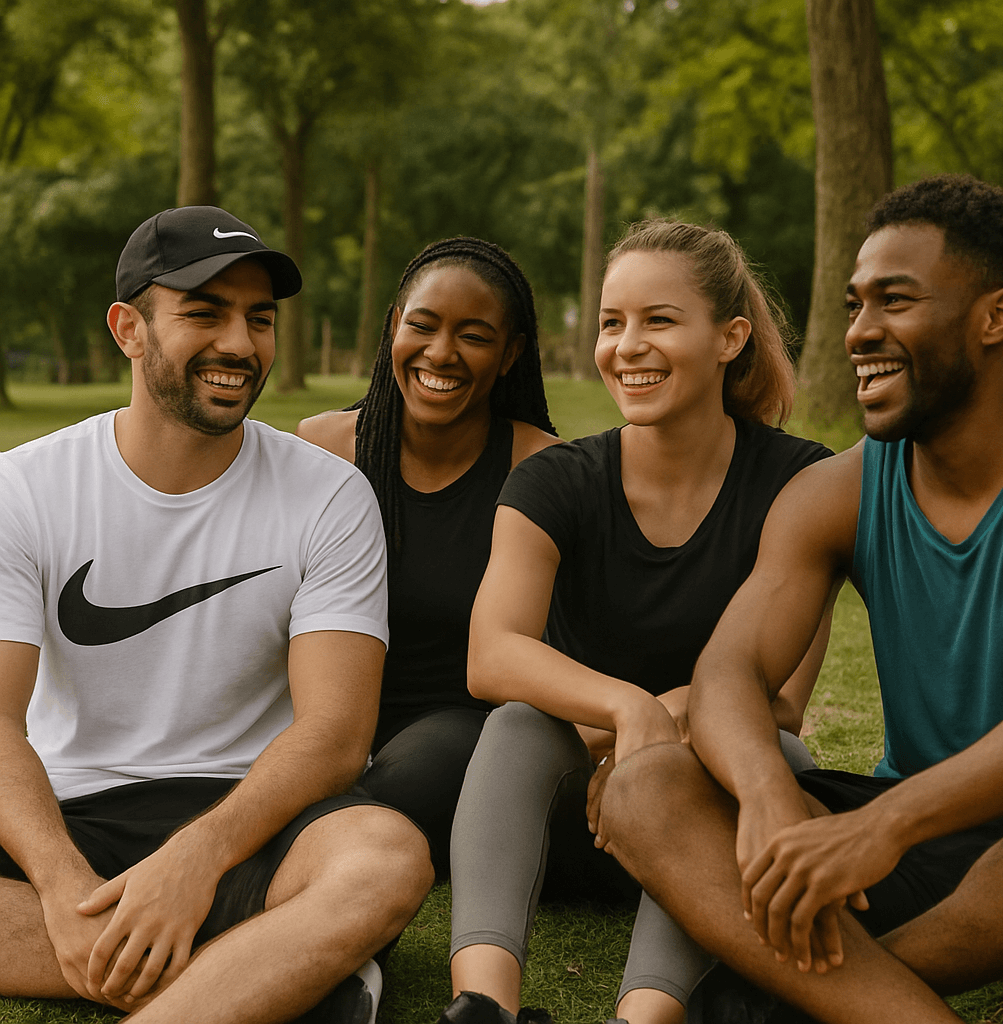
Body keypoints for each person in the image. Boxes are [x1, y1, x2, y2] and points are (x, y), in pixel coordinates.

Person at [595, 174, 1003, 1024]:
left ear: (996, 317)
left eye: (894, 302)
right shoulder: (840, 491)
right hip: (912, 845)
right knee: (644, 789)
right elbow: (730, 670)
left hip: (989, 838)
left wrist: (888, 823)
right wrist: (768, 798)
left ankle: (807, 1001)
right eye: (856, 304)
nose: (859, 333)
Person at [0, 206, 433, 1024]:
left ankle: (238, 968)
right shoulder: (22, 489)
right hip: (69, 811)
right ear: (128, 328)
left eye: (259, 318)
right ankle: (271, 973)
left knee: (385, 859)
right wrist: (59, 884)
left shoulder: (328, 495)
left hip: (250, 821)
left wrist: (195, 860)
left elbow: (337, 734)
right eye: (204, 312)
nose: (240, 343)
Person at [438, 220, 834, 1024]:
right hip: (569, 819)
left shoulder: (802, 482)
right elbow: (493, 653)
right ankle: (482, 1006)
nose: (627, 346)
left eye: (659, 320)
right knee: (517, 724)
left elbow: (783, 697)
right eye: (613, 322)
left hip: (706, 828)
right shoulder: (555, 481)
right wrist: (630, 710)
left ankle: (646, 1016)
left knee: (773, 750)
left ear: (730, 338)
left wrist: (672, 732)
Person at [298, 237, 559, 879]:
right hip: (321, 720)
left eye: (473, 335)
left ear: (511, 354)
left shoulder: (542, 467)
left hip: (457, 735)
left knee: (416, 776)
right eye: (422, 325)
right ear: (394, 327)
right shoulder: (322, 446)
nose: (440, 353)